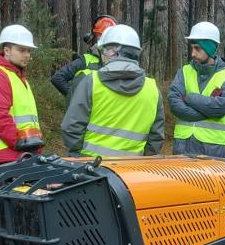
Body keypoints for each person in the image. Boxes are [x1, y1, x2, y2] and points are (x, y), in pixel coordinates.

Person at [61, 24, 165, 156]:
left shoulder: (91, 82)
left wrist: (79, 156)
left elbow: (71, 127)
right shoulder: (152, 89)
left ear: (112, 51)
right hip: (132, 167)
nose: (102, 55)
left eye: (103, 50)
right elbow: (156, 138)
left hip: (91, 166)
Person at [168, 21, 225, 157]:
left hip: (212, 148)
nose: (193, 53)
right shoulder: (184, 71)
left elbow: (220, 107)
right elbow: (174, 104)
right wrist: (207, 112)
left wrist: (189, 98)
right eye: (192, 48)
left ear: (210, 49)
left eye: (197, 48)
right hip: (182, 145)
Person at [0, 25, 43, 166]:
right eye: (21, 50)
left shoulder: (17, 77)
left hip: (23, 154)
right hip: (8, 157)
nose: (27, 55)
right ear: (7, 50)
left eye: (29, 51)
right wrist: (22, 142)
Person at [50, 14, 118, 99]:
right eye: (100, 36)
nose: (103, 40)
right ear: (96, 36)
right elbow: (57, 78)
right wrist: (77, 98)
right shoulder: (86, 60)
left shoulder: (122, 61)